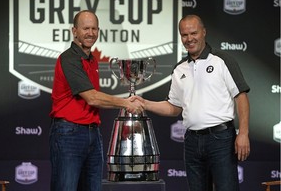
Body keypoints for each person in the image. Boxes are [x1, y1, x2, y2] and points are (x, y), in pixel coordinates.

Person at [136, 14, 250, 191]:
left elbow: (241, 96)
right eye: (184, 35)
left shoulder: (223, 60)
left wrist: (243, 133)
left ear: (204, 32)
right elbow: (174, 108)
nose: (189, 39)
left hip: (221, 139)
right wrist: (145, 103)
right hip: (192, 142)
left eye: (193, 33)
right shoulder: (179, 68)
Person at [49, 10, 144, 191]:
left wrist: (126, 102)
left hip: (93, 134)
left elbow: (95, 100)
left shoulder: (92, 60)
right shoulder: (69, 58)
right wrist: (126, 103)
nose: (90, 33)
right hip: (69, 133)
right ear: (74, 31)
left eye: (94, 28)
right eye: (85, 28)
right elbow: (92, 98)